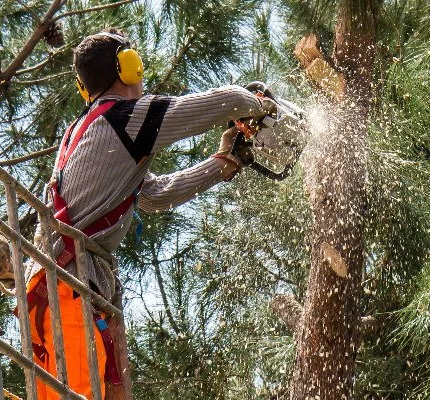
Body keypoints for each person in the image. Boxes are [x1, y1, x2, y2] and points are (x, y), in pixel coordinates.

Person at [21, 28, 273, 399]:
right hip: (67, 283)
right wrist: (260, 103)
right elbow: (226, 101)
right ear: (128, 67)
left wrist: (225, 161)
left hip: (70, 282)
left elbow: (154, 195)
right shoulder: (122, 117)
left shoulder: (94, 128)